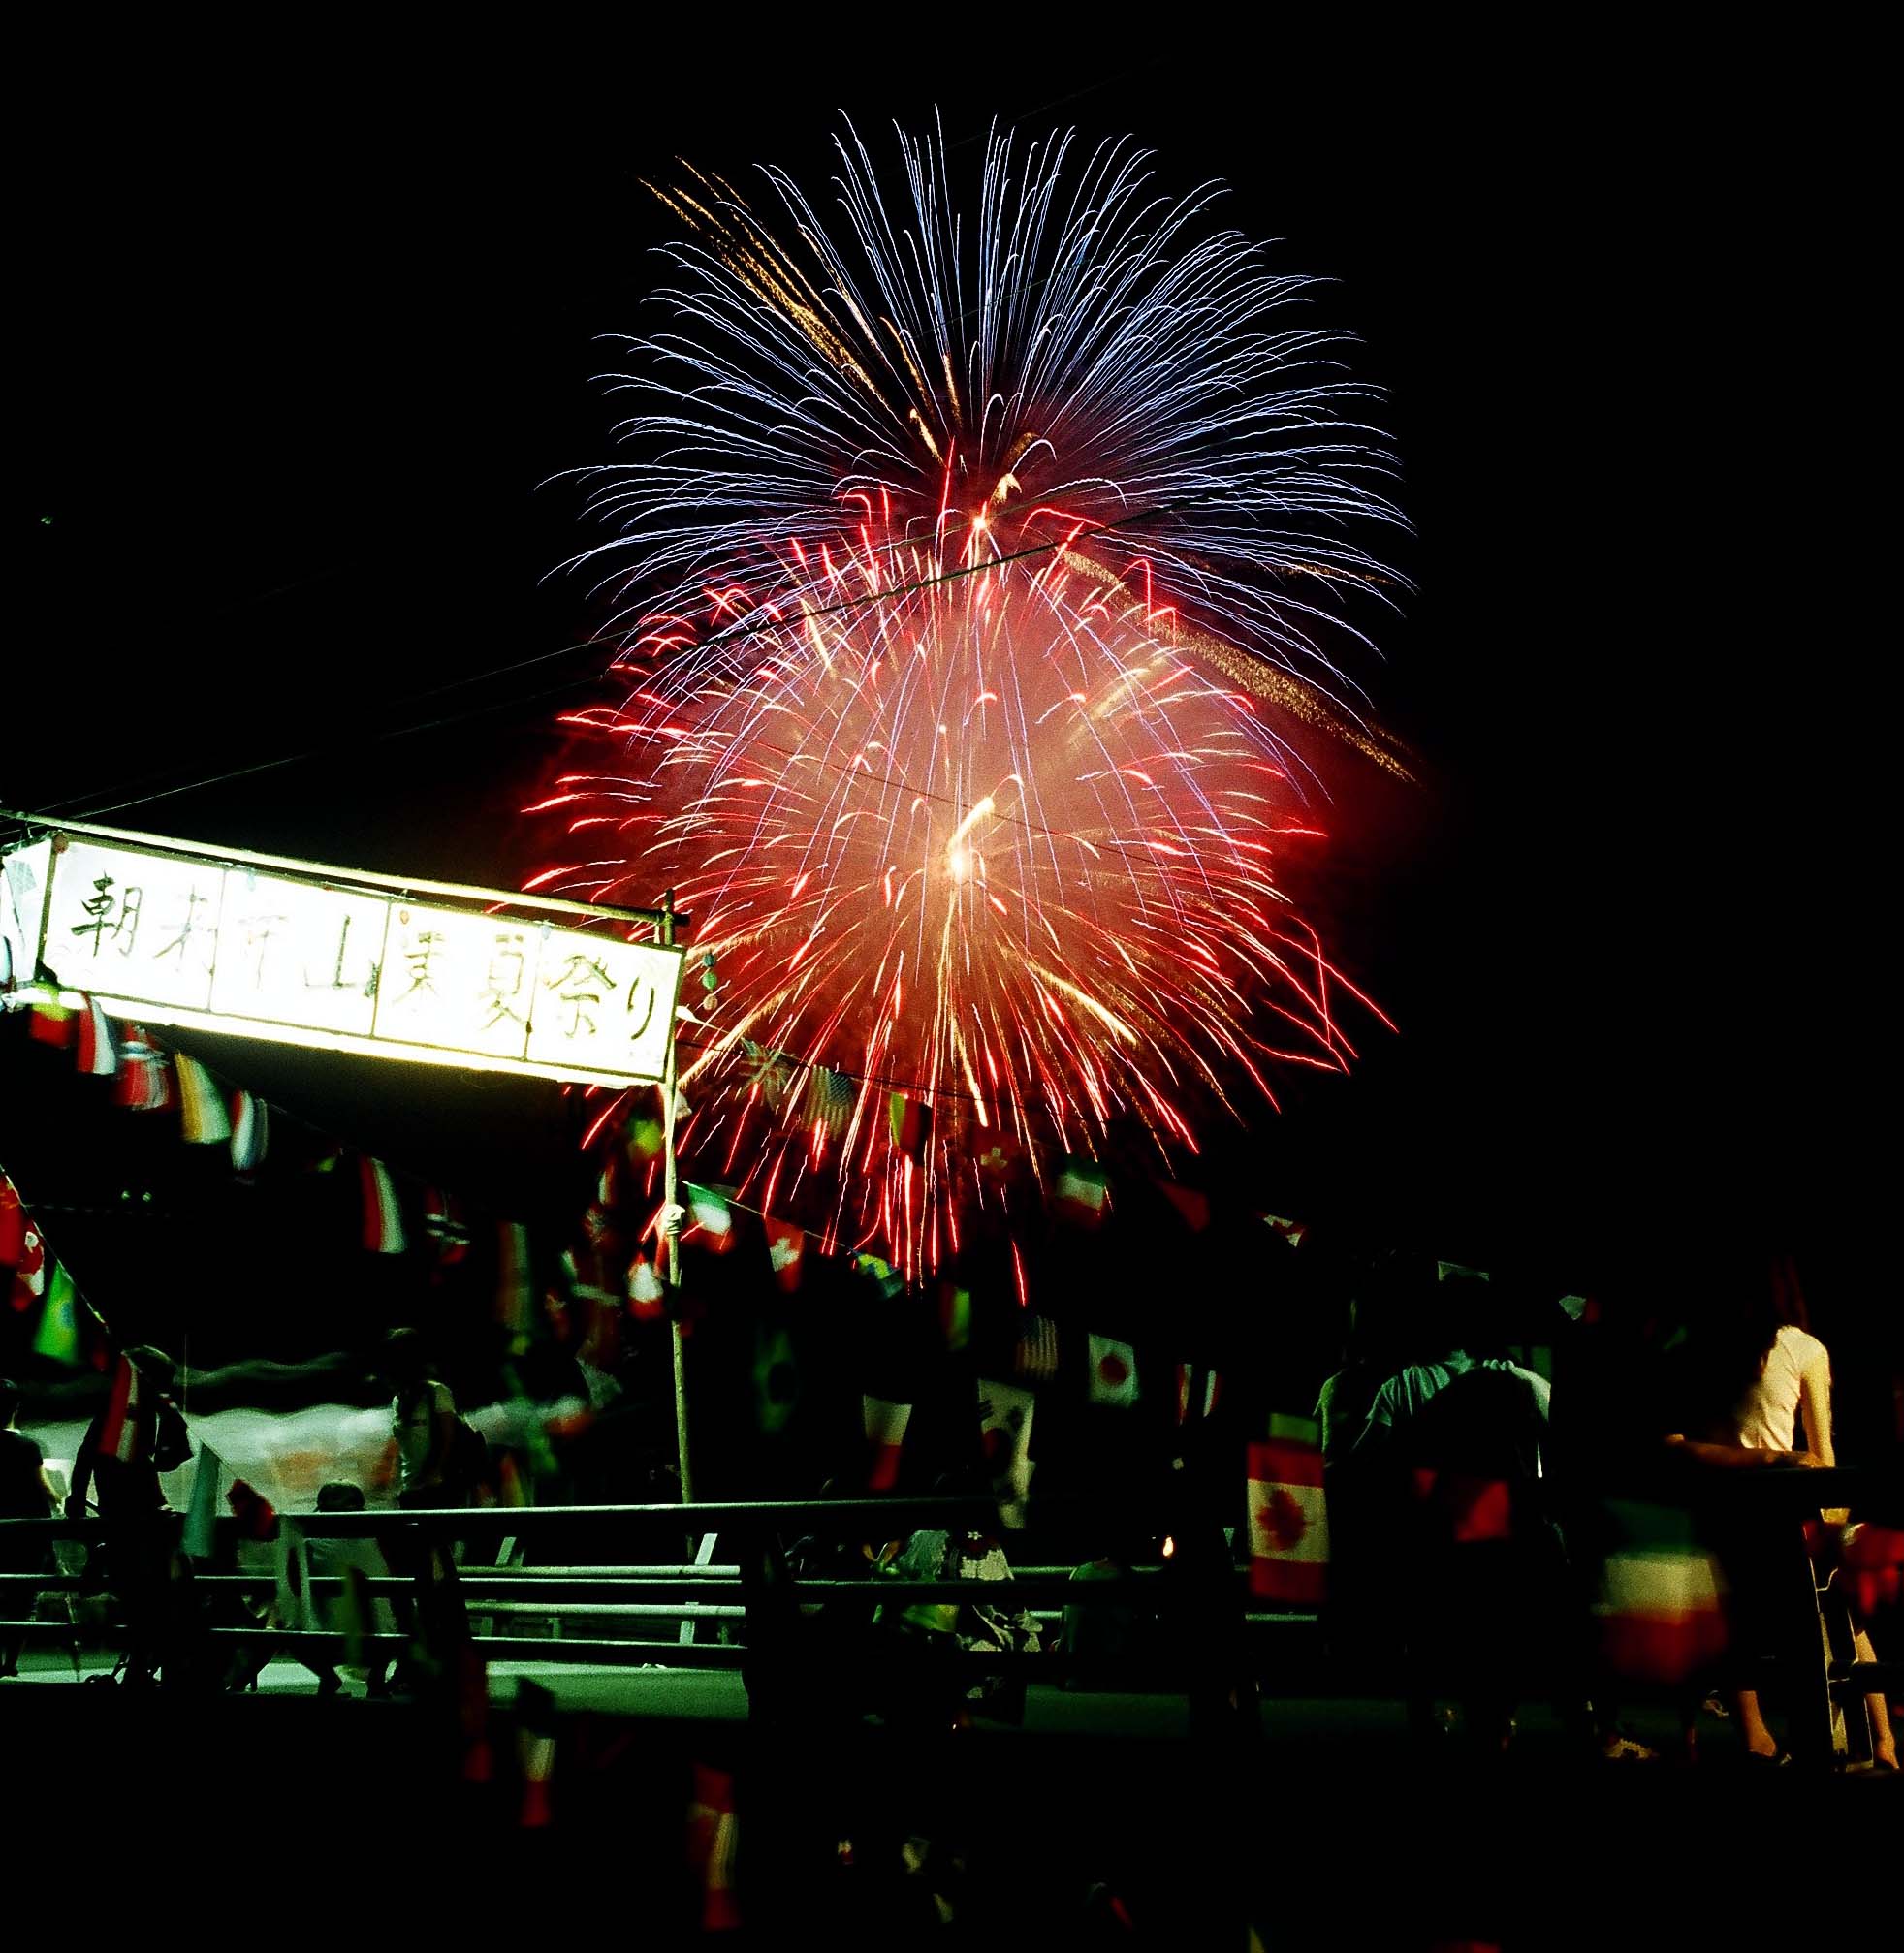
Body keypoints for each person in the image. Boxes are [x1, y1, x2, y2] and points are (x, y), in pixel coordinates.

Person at [1665, 1260, 1898, 1770]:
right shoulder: (1803, 1348)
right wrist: (1835, 1524)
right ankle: (1882, 1740)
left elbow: (1678, 1445)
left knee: (1734, 1629)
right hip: (1787, 1512)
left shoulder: (1694, 1347)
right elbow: (1822, 1451)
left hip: (1720, 1511)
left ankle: (1757, 1738)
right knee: (1839, 1622)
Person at [1, 1378, 57, 1676]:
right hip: (28, 1534)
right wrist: (62, 1501)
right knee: (23, 1599)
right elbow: (44, 1487)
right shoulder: (26, 1446)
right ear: (16, 1407)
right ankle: (10, 1663)